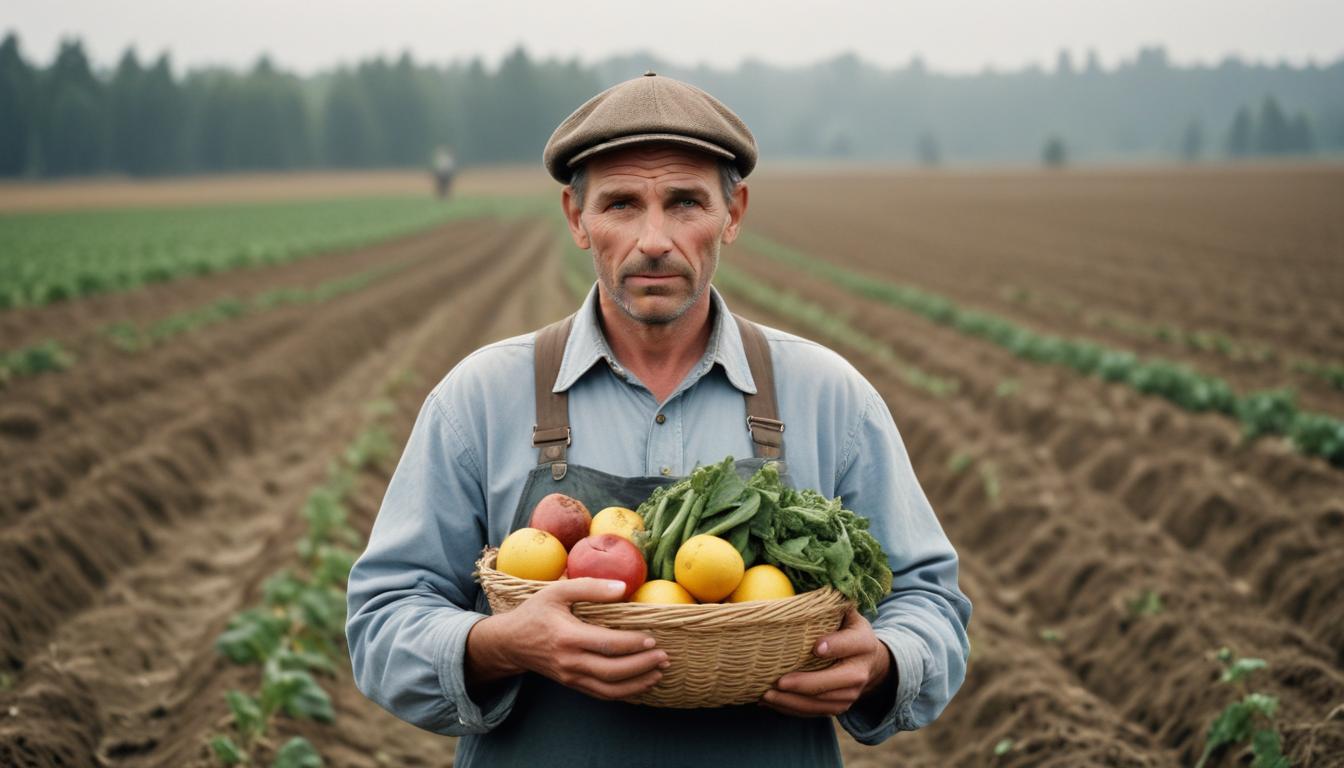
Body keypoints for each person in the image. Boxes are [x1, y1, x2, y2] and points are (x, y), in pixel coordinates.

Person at [346, 72, 971, 766]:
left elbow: (929, 603)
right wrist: (500, 644)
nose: (653, 239)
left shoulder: (828, 398)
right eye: (620, 204)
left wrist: (884, 660)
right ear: (576, 218)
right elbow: (383, 621)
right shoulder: (481, 400)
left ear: (732, 213)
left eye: (684, 203)